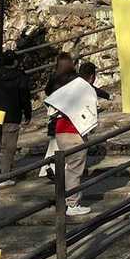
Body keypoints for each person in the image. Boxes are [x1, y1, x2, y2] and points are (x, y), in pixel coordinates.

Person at [45, 54, 95, 218]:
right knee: (74, 168)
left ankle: (62, 200)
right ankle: (72, 203)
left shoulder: (58, 81)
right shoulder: (80, 85)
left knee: (66, 166)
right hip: (75, 130)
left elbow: (48, 95)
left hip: (59, 129)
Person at [0, 58, 32, 186]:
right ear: (15, 62)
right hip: (12, 114)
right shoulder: (20, 77)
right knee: (9, 147)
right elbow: (24, 97)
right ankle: (5, 176)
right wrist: (27, 113)